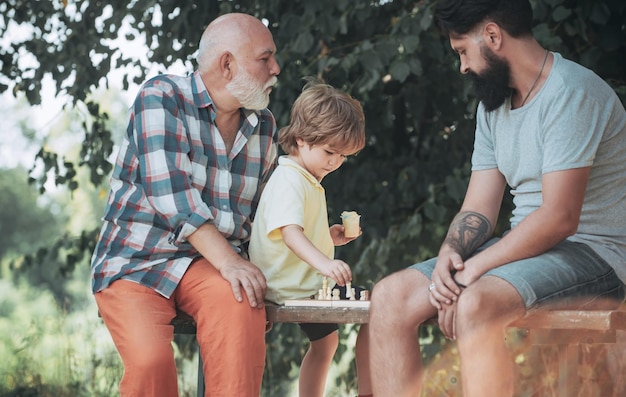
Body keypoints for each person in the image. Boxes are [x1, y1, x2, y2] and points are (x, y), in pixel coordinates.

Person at [368, 0, 626, 396]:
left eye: (462, 51)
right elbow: (477, 208)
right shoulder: (494, 106)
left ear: (492, 36)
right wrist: (450, 255)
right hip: (527, 249)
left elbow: (559, 217)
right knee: (390, 297)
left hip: (595, 252)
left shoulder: (572, 94)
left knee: (475, 302)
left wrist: (474, 272)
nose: (463, 66)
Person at [90, 13, 281, 397]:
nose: (276, 69)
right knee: (150, 363)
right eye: (265, 58)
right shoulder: (161, 97)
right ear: (227, 64)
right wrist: (231, 262)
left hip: (209, 265)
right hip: (136, 261)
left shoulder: (265, 127)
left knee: (242, 308)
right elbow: (172, 197)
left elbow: (266, 215)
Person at [249, 80, 371, 397]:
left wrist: (329, 237)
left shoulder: (306, 178)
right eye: (329, 151)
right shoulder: (290, 178)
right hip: (293, 287)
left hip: (301, 283)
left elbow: (299, 231)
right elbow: (290, 233)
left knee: (327, 342)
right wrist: (327, 263)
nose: (334, 162)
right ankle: (371, 391)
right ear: (302, 139)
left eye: (343, 156)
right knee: (379, 309)